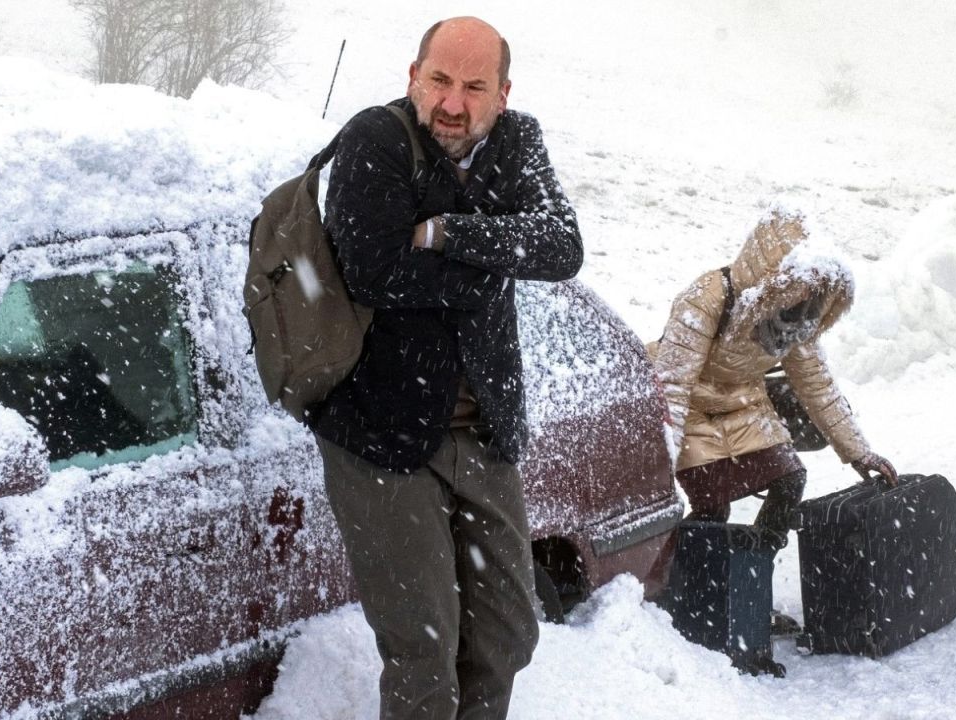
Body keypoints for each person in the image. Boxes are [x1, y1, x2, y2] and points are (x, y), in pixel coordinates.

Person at [308, 16, 583, 720]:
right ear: (413, 76)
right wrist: (488, 268)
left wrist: (447, 233)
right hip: (381, 436)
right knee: (424, 650)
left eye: (473, 87)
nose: (452, 104)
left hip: (479, 431)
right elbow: (374, 273)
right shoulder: (377, 141)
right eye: (439, 81)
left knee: (507, 633)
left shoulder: (517, 142)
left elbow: (560, 247)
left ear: (502, 95)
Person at [648, 208, 897, 570]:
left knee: (789, 479)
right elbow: (673, 385)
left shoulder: (802, 311)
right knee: (711, 507)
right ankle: (673, 582)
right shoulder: (707, 298)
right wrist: (659, 467)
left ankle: (752, 577)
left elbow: (818, 386)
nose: (801, 313)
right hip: (691, 407)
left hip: (744, 402)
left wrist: (859, 452)